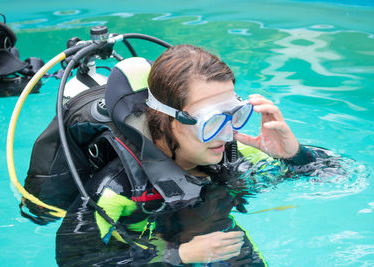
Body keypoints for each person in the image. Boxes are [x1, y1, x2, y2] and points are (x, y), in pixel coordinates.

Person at [53, 44, 331, 266]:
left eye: (233, 115)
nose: (226, 134)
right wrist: (175, 257)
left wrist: (295, 155)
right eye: (210, 122)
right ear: (165, 120)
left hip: (217, 240)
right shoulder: (119, 188)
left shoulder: (231, 153)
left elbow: (341, 177)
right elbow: (75, 260)